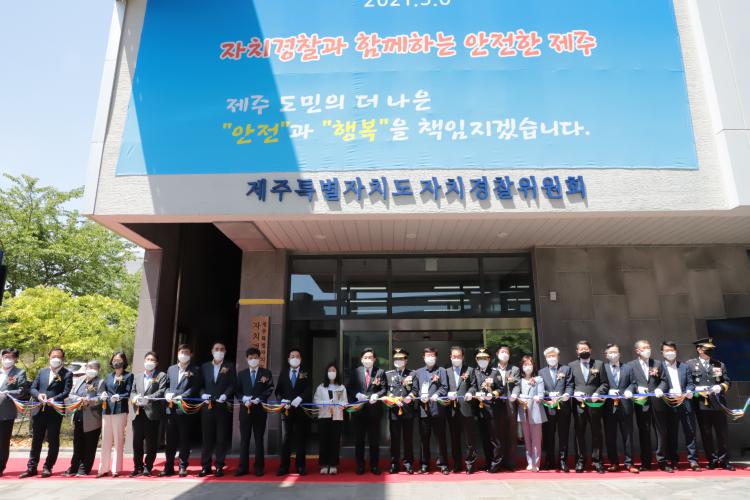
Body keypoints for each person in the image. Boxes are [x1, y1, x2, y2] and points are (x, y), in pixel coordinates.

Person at [20, 347, 73, 478]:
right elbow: (33, 388)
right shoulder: (42, 372)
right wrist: (38, 395)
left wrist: (54, 399)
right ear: (49, 357)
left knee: (53, 440)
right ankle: (31, 467)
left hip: (55, 410)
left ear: (63, 359)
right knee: (36, 439)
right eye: (53, 356)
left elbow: (66, 391)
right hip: (39, 409)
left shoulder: (67, 374)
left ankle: (48, 467)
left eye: (59, 357)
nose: (56, 359)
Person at [686, 337, 735, 471]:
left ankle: (724, 460)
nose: (709, 351)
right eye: (707, 349)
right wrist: (696, 389)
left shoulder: (719, 364)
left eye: (711, 349)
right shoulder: (690, 364)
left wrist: (721, 386)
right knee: (706, 433)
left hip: (718, 404)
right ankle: (712, 460)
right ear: (699, 349)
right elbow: (688, 382)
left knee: (722, 433)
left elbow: (727, 381)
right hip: (702, 404)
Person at [658, 341, 701, 471]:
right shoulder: (659, 367)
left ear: (676, 351)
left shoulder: (684, 366)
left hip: (685, 402)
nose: (670, 353)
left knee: (690, 431)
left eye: (672, 350)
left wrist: (689, 390)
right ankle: (673, 460)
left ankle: (693, 460)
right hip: (670, 403)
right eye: (667, 350)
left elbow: (691, 383)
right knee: (672, 432)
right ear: (662, 352)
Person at [161, 344, 201, 477]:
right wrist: (167, 393)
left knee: (184, 439)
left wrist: (183, 396)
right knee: (170, 440)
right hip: (171, 409)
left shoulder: (195, 369)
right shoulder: (171, 369)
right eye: (181, 352)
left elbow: (195, 387)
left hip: (184, 409)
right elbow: (166, 385)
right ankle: (168, 466)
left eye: (186, 352)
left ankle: (183, 466)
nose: (183, 355)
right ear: (178, 354)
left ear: (191, 355)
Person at [569, 340, 608, 473]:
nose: (583, 351)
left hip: (595, 404)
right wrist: (574, 393)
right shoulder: (571, 366)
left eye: (586, 349)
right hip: (578, 405)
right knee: (579, 432)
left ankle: (597, 461)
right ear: (577, 351)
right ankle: (580, 461)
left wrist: (598, 393)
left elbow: (604, 383)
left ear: (590, 350)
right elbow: (570, 384)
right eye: (581, 349)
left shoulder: (599, 364)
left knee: (597, 432)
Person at [625, 339, 664, 471]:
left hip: (657, 402)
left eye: (649, 347)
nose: (648, 349)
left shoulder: (657, 363)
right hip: (641, 403)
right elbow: (630, 383)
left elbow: (664, 380)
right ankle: (646, 462)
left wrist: (660, 389)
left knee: (661, 432)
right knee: (644, 432)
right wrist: (636, 389)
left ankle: (662, 461)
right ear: (637, 351)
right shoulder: (630, 365)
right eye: (644, 347)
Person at [198, 342, 236, 477]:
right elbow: (200, 385)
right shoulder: (205, 367)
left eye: (222, 349)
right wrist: (202, 394)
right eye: (216, 349)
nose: (219, 351)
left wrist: (226, 395)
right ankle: (205, 466)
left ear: (225, 352)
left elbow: (233, 384)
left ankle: (219, 465)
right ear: (212, 351)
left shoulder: (230, 366)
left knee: (221, 437)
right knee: (207, 437)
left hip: (222, 406)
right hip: (207, 406)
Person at [235, 347, 274, 477]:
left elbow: (270, 388)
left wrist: (260, 398)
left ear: (259, 358)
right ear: (247, 359)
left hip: (260, 410)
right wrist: (243, 398)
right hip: (245, 410)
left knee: (259, 439)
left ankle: (259, 467)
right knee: (244, 439)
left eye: (255, 358)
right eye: (250, 358)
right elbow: (237, 391)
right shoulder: (242, 374)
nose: (253, 360)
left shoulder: (266, 373)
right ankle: (243, 467)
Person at [347, 347, 386, 475]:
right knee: (359, 440)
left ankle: (374, 465)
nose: (368, 359)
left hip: (374, 412)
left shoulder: (380, 372)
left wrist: (377, 395)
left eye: (370, 357)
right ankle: (360, 465)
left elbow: (384, 389)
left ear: (374, 359)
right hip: (359, 412)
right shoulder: (356, 372)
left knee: (374, 441)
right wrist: (357, 394)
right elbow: (349, 388)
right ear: (361, 359)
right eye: (365, 357)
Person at [129, 351, 168, 477]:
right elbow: (132, 391)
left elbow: (162, 390)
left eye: (152, 360)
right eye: (148, 359)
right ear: (144, 361)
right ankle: (137, 466)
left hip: (152, 413)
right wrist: (134, 398)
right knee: (137, 442)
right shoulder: (138, 376)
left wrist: (149, 398)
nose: (149, 362)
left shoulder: (161, 375)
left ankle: (148, 466)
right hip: (138, 413)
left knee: (151, 443)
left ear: (156, 363)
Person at [602, 344, 638, 474]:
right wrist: (607, 391)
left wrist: (629, 390)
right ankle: (614, 462)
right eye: (610, 352)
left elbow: (634, 383)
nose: (613, 354)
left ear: (619, 353)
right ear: (606, 355)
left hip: (625, 405)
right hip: (608, 406)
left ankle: (629, 463)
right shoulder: (602, 368)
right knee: (610, 435)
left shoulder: (628, 368)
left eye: (615, 352)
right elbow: (600, 384)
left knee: (628, 435)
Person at [275, 348, 311, 476]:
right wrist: (282, 400)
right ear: (288, 359)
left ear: (300, 359)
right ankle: (284, 466)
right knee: (286, 439)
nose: (295, 358)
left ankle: (300, 466)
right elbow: (278, 391)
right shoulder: (284, 372)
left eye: (297, 356)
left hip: (301, 410)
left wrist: (300, 398)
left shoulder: (305, 372)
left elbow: (309, 388)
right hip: (287, 411)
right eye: (292, 356)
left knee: (301, 439)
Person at [413, 346, 449, 474]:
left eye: (432, 355)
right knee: (424, 438)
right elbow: (415, 389)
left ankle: (443, 464)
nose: (430, 358)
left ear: (436, 357)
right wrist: (419, 396)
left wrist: (437, 394)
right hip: (423, 410)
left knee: (440, 438)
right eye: (427, 355)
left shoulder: (441, 371)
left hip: (437, 409)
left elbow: (445, 387)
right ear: (423, 357)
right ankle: (424, 464)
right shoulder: (418, 372)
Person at [97, 352, 133, 478]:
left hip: (119, 410)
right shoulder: (108, 376)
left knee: (118, 439)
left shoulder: (128, 376)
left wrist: (119, 396)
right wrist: (103, 394)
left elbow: (128, 392)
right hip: (107, 410)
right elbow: (104, 390)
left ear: (124, 361)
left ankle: (115, 469)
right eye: (114, 360)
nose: (116, 362)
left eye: (119, 360)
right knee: (106, 440)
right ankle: (103, 468)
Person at [65, 360, 102, 477]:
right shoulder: (81, 379)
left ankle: (84, 468)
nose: (91, 370)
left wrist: (89, 401)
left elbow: (101, 398)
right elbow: (71, 394)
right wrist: (78, 399)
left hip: (92, 417)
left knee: (89, 444)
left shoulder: (100, 382)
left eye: (94, 368)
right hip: (78, 415)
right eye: (89, 367)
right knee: (77, 443)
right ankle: (74, 466)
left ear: (98, 370)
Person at [538, 346, 573, 472]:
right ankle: (549, 460)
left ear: (558, 356)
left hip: (563, 407)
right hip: (549, 408)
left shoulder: (566, 369)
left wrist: (566, 394)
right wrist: (549, 394)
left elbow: (570, 385)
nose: (551, 358)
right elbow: (541, 389)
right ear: (546, 358)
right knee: (549, 435)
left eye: (553, 356)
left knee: (563, 435)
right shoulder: (541, 372)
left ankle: (563, 461)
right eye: (549, 356)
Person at [445, 346, 478, 473]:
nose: (456, 358)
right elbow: (443, 387)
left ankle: (470, 464)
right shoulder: (446, 371)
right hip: (452, 410)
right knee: (454, 439)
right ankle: (457, 464)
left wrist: (470, 392)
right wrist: (448, 393)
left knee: (469, 439)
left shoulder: (469, 370)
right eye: (454, 356)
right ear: (450, 357)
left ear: (463, 357)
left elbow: (474, 386)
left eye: (459, 356)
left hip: (466, 408)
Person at [384, 348, 416, 474]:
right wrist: (392, 399)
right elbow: (385, 390)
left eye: (401, 358)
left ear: (406, 360)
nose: (398, 361)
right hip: (394, 411)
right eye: (396, 359)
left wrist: (410, 396)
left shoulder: (412, 373)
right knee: (395, 439)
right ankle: (394, 463)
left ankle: (408, 463)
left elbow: (415, 389)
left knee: (408, 439)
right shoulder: (388, 374)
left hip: (408, 410)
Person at [472, 347, 502, 473]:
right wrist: (474, 394)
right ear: (476, 359)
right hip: (480, 410)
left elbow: (501, 389)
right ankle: (488, 462)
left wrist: (493, 393)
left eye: (485, 358)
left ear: (489, 359)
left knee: (494, 438)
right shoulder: (474, 372)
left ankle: (496, 463)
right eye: (480, 358)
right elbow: (473, 386)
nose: (482, 360)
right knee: (484, 438)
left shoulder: (495, 372)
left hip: (492, 409)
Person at [513, 355, 546, 471]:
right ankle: (530, 462)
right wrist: (518, 399)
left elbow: (541, 394)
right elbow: (515, 394)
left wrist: (538, 397)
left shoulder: (538, 379)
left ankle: (536, 464)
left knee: (536, 439)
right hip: (523, 412)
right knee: (527, 439)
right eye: (525, 364)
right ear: (522, 366)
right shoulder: (519, 380)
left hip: (535, 412)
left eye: (530, 364)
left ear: (533, 366)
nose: (528, 367)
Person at [314, 362, 348, 475]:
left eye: (334, 371)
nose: (332, 372)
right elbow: (316, 401)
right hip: (324, 416)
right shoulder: (321, 387)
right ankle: (324, 464)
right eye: (330, 371)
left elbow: (345, 401)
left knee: (335, 441)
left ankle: (333, 464)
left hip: (337, 417)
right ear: (326, 373)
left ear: (337, 373)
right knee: (324, 440)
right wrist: (325, 402)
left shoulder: (341, 387)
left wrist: (342, 404)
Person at [0, 348, 28, 477]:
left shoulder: (19, 373)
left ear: (15, 359)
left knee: (3, 441)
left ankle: (0, 466)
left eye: (10, 357)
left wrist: (8, 393)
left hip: (6, 412)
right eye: (5, 356)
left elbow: (22, 390)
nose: (7, 359)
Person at [492, 344, 520, 471]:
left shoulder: (514, 369)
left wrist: (515, 393)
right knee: (499, 434)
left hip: (510, 404)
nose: (505, 354)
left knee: (511, 434)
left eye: (507, 352)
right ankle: (499, 461)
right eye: (502, 352)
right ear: (497, 354)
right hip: (496, 405)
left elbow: (517, 384)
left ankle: (511, 462)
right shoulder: (492, 369)